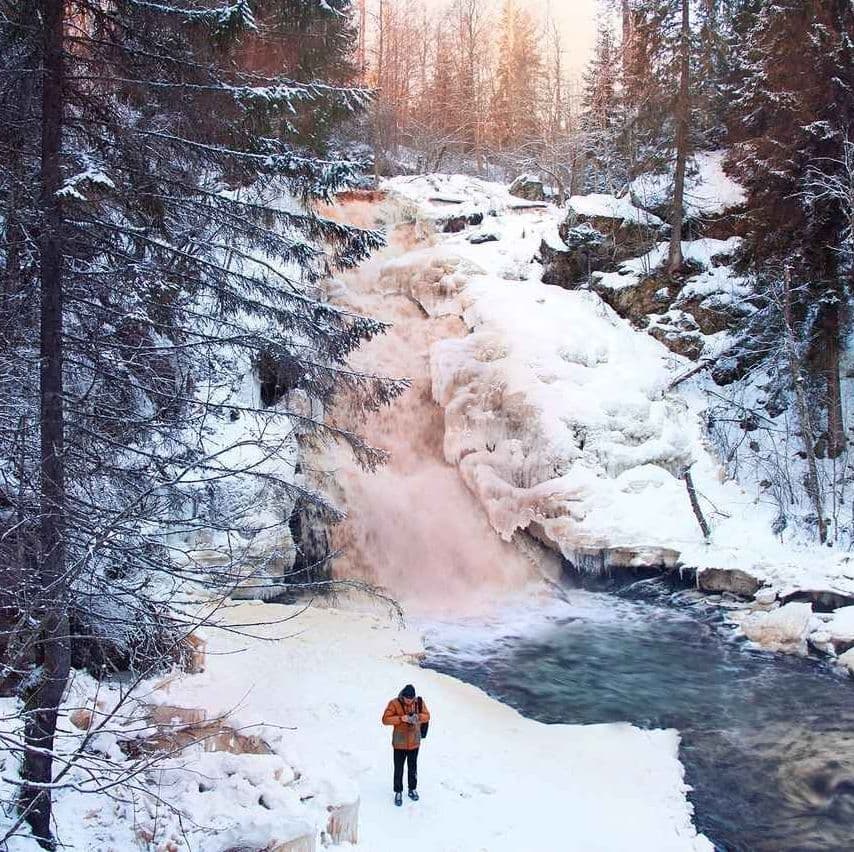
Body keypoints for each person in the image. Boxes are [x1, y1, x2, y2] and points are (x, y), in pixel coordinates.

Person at [381, 683, 430, 806]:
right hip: (399, 743)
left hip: (414, 742)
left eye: (411, 699)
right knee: (399, 768)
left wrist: (417, 717)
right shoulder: (394, 703)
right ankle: (398, 792)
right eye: (407, 699)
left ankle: (412, 789)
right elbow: (385, 719)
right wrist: (401, 719)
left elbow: (427, 716)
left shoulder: (419, 702)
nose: (409, 702)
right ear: (403, 696)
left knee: (412, 768)